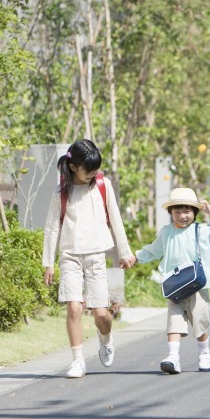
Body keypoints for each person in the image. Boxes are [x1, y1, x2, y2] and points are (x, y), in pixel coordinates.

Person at [42, 139, 135, 379]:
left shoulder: (103, 185)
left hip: (96, 255)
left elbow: (115, 219)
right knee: (74, 308)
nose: (93, 175)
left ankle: (105, 337)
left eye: (95, 171)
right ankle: (77, 360)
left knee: (101, 314)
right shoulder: (61, 193)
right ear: (74, 167)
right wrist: (48, 262)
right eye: (88, 171)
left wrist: (124, 252)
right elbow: (52, 228)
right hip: (69, 255)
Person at [135, 187, 210, 374]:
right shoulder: (167, 232)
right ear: (171, 212)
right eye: (177, 211)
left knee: (199, 321)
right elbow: (153, 250)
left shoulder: (202, 230)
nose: (182, 216)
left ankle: (204, 354)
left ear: (195, 212)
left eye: (187, 211)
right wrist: (135, 257)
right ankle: (173, 357)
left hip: (196, 285)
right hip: (175, 286)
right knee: (174, 320)